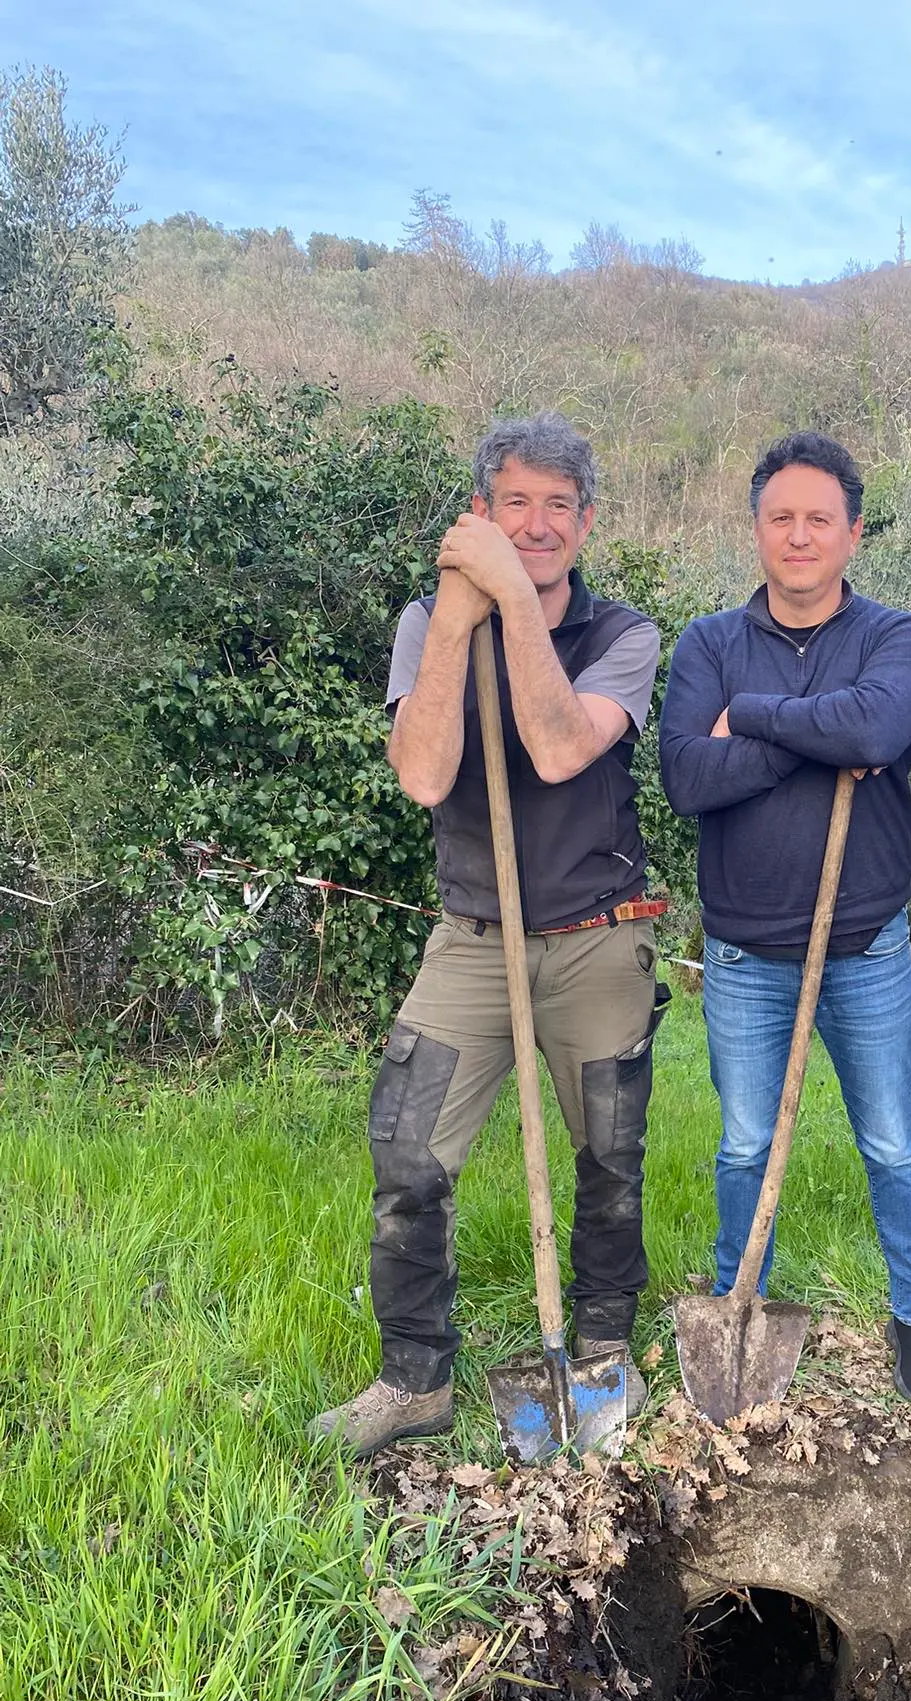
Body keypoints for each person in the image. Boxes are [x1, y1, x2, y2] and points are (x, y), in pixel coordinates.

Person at [310, 412, 668, 1455]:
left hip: (599, 936)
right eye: (517, 502)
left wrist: (510, 595)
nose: (539, 522)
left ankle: (603, 1351)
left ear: (587, 521)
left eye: (560, 505)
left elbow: (559, 751)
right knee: (406, 1146)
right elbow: (422, 773)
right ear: (482, 511)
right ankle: (413, 1380)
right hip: (474, 937)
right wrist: (462, 621)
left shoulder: (622, 636)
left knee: (611, 1154)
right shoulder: (429, 622)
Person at [659, 432, 911, 1406]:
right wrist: (812, 730)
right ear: (757, 529)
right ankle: (735, 1303)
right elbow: (686, 779)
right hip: (744, 951)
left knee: (891, 1140)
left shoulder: (896, 635)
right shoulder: (708, 643)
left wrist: (749, 716)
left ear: (852, 532)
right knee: (745, 1144)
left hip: (864, 946)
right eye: (779, 517)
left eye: (817, 518)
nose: (798, 535)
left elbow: (879, 725)